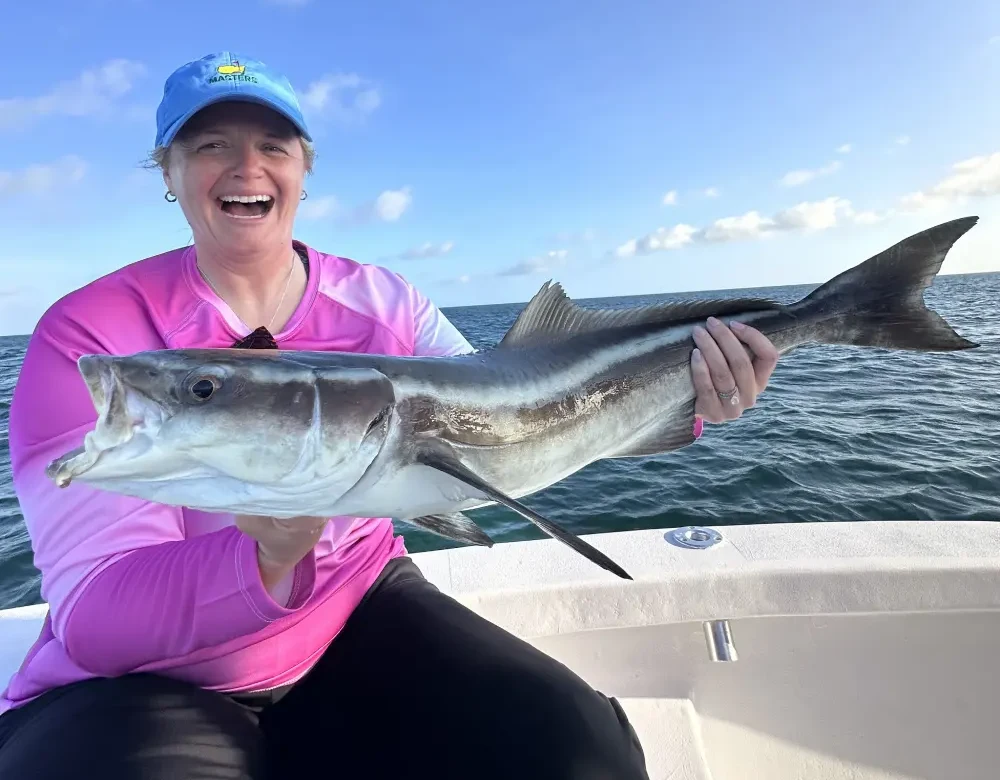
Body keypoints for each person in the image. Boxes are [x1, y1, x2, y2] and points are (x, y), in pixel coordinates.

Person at [0, 52, 779, 779]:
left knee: (577, 750)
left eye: (275, 144)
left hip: (357, 607)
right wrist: (264, 559)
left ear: (304, 170)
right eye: (209, 145)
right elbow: (98, 617)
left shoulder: (385, 301)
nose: (246, 167)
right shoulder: (90, 340)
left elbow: (507, 421)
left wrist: (686, 398)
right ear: (167, 171)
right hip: (146, 684)